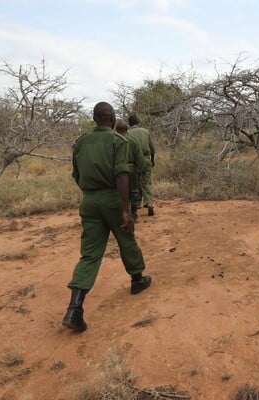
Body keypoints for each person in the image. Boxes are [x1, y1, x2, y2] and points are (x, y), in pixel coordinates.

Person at [62, 102, 152, 333]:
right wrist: (125, 209)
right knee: (126, 239)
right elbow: (122, 175)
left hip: (89, 200)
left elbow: (76, 174)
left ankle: (74, 308)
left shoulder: (81, 142)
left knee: (90, 254)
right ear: (111, 119)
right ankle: (137, 280)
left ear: (94, 119)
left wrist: (91, 194)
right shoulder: (117, 140)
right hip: (113, 198)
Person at [115, 119, 147, 221]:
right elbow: (139, 158)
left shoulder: (114, 140)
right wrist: (143, 172)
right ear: (126, 128)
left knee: (118, 191)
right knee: (133, 191)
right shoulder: (132, 140)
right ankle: (133, 213)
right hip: (131, 169)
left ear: (116, 129)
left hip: (118, 170)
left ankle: (121, 213)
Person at [127, 115, 156, 216]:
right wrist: (152, 160)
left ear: (129, 123)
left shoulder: (127, 133)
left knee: (135, 183)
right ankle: (149, 203)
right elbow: (152, 148)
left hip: (133, 162)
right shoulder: (145, 131)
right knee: (146, 181)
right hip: (146, 159)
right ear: (138, 122)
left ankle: (137, 203)